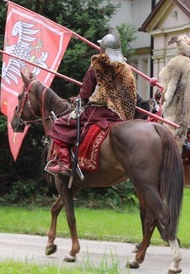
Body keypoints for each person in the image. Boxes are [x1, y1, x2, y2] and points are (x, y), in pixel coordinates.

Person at [45, 27, 137, 176]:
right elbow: (130, 94)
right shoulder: (125, 68)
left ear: (103, 49)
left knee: (59, 124)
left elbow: (86, 92)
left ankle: (64, 163)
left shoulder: (97, 65)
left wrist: (80, 100)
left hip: (97, 112)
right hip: (119, 114)